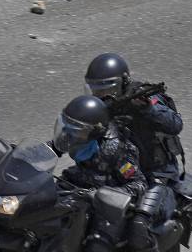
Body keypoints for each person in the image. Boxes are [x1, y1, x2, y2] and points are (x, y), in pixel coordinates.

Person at [84, 53, 184, 252]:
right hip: (120, 168)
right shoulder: (100, 104)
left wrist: (148, 109)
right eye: (95, 88)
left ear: (123, 82)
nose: (100, 94)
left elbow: (175, 124)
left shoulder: (145, 96)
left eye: (106, 88)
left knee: (139, 228)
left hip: (156, 175)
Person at [52, 95, 147, 252]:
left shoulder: (117, 150)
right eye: (67, 128)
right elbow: (52, 149)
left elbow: (138, 184)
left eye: (76, 132)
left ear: (95, 132)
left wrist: (101, 194)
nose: (69, 136)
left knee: (96, 246)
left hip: (108, 205)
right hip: (79, 186)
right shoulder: (76, 136)